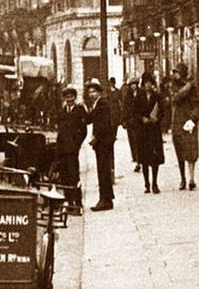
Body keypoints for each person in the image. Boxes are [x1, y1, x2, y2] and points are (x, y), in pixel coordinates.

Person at [53, 85, 88, 203]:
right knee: (64, 176)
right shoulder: (62, 112)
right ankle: (68, 201)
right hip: (62, 149)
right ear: (64, 98)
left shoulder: (79, 110)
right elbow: (60, 132)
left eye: (71, 97)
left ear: (75, 97)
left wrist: (76, 144)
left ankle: (77, 203)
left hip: (72, 149)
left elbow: (83, 131)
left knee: (74, 176)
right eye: (67, 97)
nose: (69, 100)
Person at [168, 63, 199, 190]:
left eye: (177, 72)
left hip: (189, 121)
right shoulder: (173, 86)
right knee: (180, 152)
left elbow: (197, 104)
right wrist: (188, 86)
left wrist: (194, 118)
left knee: (191, 152)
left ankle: (191, 178)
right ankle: (183, 178)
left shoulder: (193, 87)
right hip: (177, 122)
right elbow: (175, 98)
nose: (175, 74)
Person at [131, 71, 165, 194]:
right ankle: (147, 183)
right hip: (143, 131)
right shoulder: (138, 97)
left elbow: (162, 111)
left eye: (150, 83)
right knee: (144, 159)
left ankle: (155, 183)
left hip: (154, 131)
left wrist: (158, 118)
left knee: (155, 159)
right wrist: (142, 119)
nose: (148, 85)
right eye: (146, 83)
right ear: (143, 84)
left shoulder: (157, 96)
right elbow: (134, 112)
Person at [86, 80, 117, 211]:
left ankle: (105, 200)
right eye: (89, 92)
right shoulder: (97, 104)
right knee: (103, 170)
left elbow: (102, 124)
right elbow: (90, 119)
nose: (91, 94)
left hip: (103, 142)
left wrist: (95, 137)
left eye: (94, 92)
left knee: (103, 170)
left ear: (99, 92)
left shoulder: (102, 104)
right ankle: (106, 198)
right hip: (102, 142)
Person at [120, 78, 142, 172]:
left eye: (135, 84)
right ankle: (136, 159)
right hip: (130, 123)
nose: (133, 86)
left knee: (139, 141)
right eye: (132, 84)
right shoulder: (127, 96)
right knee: (132, 141)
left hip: (139, 122)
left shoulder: (141, 94)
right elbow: (125, 109)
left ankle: (139, 160)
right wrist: (123, 121)